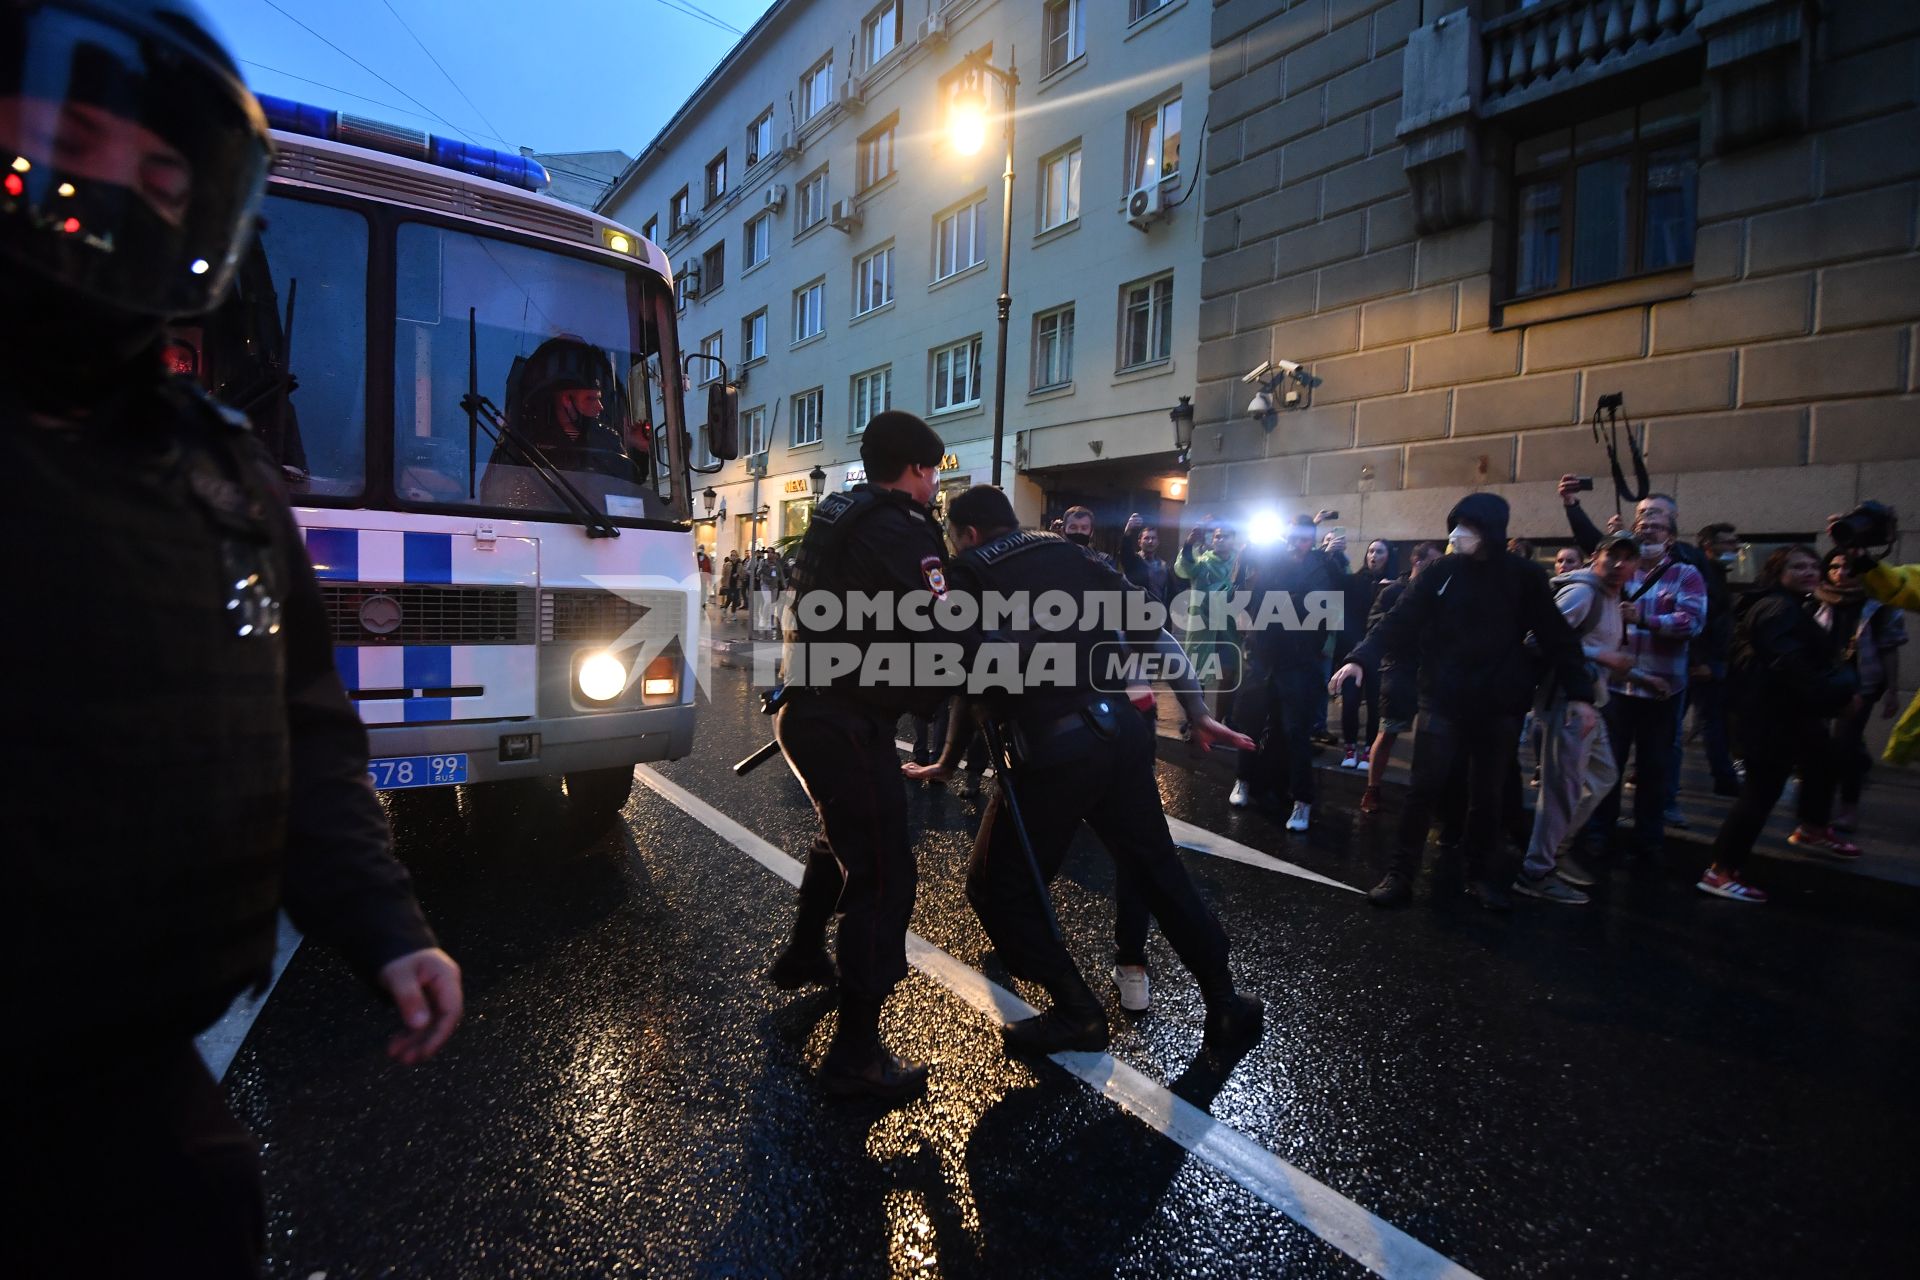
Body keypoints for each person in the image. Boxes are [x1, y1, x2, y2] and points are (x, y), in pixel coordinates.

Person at [2, 3, 464, 1272]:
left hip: (146, 1098)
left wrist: (387, 924)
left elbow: (303, 725)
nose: (118, 195)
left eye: (164, 174)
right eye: (73, 134)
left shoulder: (221, 472)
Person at [907, 485, 1264, 1058]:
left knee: (995, 890)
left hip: (1054, 752)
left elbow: (957, 678)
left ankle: (1076, 1012)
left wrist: (945, 754)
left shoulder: (966, 573)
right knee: (1156, 871)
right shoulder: (1077, 555)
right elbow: (1154, 631)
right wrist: (1197, 711)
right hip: (1121, 733)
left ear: (967, 533)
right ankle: (1226, 1003)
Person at [767, 410, 960, 1100]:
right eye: (932, 471)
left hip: (811, 708)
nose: (935, 484)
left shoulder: (840, 515)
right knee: (883, 877)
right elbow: (941, 620)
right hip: (847, 721)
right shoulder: (898, 527)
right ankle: (855, 1055)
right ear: (915, 469)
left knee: (841, 837)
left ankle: (800, 952)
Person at [1332, 494, 1595, 909]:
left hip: (1498, 705)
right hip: (1442, 699)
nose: (1458, 534)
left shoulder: (1523, 577)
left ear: (1490, 530)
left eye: (1468, 526)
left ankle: (1480, 875)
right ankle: (1401, 874)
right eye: (1456, 524)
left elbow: (1557, 637)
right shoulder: (1441, 571)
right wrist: (1358, 659)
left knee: (1487, 796)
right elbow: (1399, 620)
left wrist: (1581, 696)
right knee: (1423, 789)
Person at [1699, 547, 1862, 901]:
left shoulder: (1791, 605)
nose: (1809, 572)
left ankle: (1812, 827)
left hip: (1787, 711)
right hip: (1767, 715)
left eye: (1813, 566)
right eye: (1798, 566)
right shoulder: (1778, 608)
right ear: (1778, 571)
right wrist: (1838, 696)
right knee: (1762, 790)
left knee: (1824, 758)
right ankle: (1720, 871)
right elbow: (1789, 664)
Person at [1514, 533, 1644, 904]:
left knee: (1602, 776)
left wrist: (1639, 676)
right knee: (1562, 791)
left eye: (1628, 558)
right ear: (1595, 557)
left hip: (1591, 702)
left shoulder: (1611, 596)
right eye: (1612, 556)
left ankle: (1553, 848)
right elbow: (1536, 640)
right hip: (1567, 704)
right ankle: (1536, 870)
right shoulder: (1582, 593)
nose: (1620, 565)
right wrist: (1604, 655)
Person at [1584, 504, 1705, 863]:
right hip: (1618, 688)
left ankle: (1647, 840)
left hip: (1662, 690)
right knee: (1608, 765)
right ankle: (1597, 834)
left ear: (1670, 536)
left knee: (1654, 769)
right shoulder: (1622, 573)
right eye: (1643, 525)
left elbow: (1693, 622)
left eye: (1657, 525)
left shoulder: (1687, 574)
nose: (1648, 529)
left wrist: (1647, 619)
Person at [1230, 514, 1343, 832]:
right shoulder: (1271, 562)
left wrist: (1283, 605)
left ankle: (1302, 800)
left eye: (1304, 537)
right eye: (1292, 536)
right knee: (1251, 723)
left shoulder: (1322, 566)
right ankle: (1244, 780)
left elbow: (1323, 607)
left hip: (1299, 663)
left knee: (1294, 733)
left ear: (1312, 539)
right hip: (1264, 658)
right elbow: (1248, 600)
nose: (1297, 542)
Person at [1814, 547, 1905, 831]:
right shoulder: (1815, 598)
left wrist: (1892, 690)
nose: (1841, 574)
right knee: (1820, 744)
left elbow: (1889, 648)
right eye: (1835, 567)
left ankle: (1847, 806)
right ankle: (1818, 804)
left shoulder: (1878, 603)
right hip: (1821, 681)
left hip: (1860, 682)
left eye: (1849, 569)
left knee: (1846, 745)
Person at [1359, 541, 1443, 814]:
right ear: (1417, 561)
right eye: (1433, 562)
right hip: (1400, 670)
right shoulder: (1394, 590)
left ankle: (1423, 797)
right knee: (1388, 732)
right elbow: (1375, 626)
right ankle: (1372, 788)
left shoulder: (1441, 595)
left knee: (1430, 737)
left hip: (1432, 673)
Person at [1690, 522, 1745, 796]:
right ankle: (1724, 778)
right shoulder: (1703, 576)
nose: (1735, 548)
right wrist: (1701, 661)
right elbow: (1699, 620)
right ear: (1709, 547)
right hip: (1702, 664)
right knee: (1711, 721)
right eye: (1728, 543)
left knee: (1712, 720)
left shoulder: (1717, 575)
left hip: (1710, 662)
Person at [1335, 539, 1393, 769]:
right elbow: (1336, 583)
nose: (1374, 556)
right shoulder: (1355, 581)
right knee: (1350, 701)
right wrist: (1333, 554)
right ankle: (1350, 747)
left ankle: (1370, 749)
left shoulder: (1396, 584)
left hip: (1380, 653)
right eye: (1370, 551)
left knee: (1375, 705)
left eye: (1379, 551)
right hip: (1353, 650)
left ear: (1388, 556)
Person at [1174, 519, 1239, 716]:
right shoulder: (1203, 562)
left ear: (1233, 540)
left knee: (1229, 674)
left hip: (1229, 629)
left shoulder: (1240, 562)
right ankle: (1196, 720)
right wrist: (1188, 544)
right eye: (1217, 536)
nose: (1220, 540)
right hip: (1203, 627)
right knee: (1196, 675)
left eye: (1225, 536)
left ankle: (1221, 720)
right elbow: (1185, 567)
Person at [1119, 512, 1172, 606]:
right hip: (1136, 612)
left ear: (1158, 542)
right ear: (1139, 542)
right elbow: (1125, 552)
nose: (1150, 541)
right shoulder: (1133, 561)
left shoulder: (1164, 566)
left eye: (1153, 538)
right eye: (1146, 538)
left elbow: (1169, 593)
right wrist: (1128, 532)